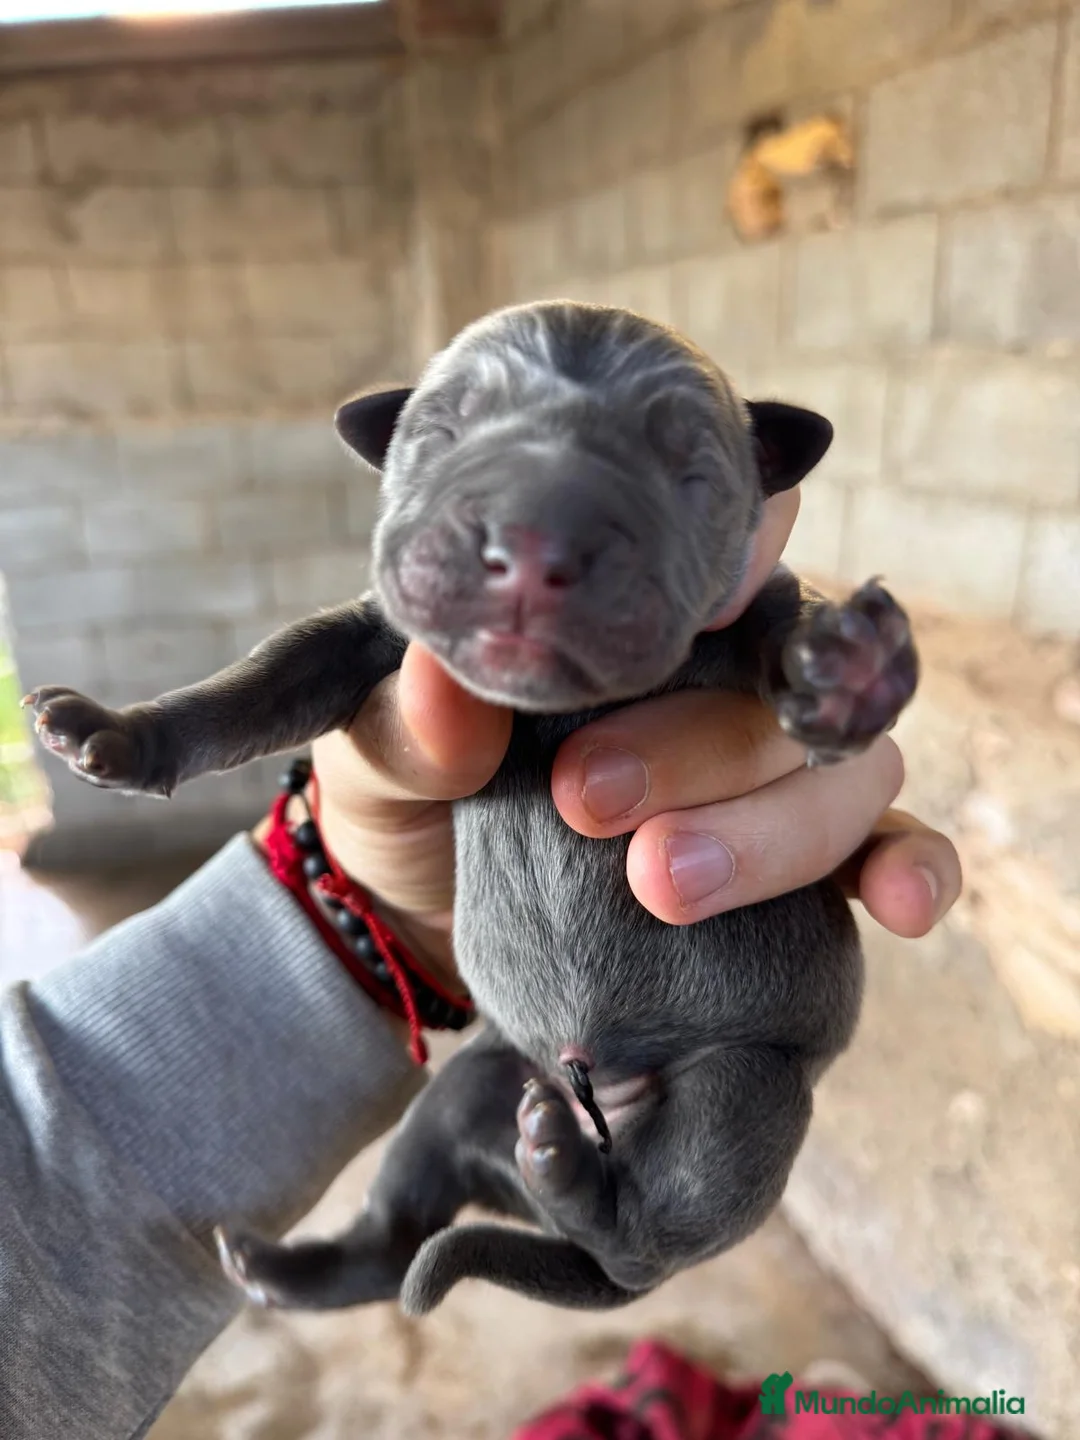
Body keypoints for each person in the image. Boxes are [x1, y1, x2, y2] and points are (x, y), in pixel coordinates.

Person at [0, 493, 962, 1440]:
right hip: (526, 1043)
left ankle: (617, 1230)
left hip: (724, 1044)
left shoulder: (728, 597)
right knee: (469, 1103)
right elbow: (339, 655)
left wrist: (828, 688)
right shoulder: (461, 596)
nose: (550, 518)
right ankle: (388, 1240)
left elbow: (791, 666)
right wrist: (166, 737)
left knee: (732, 1122)